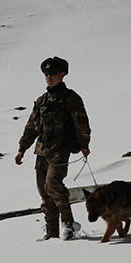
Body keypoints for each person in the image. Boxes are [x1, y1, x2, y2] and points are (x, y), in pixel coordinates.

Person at [15, 57, 91, 240]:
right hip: (42, 150)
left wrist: (84, 144)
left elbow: (81, 122)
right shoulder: (42, 100)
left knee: (53, 185)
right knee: (44, 192)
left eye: (53, 73)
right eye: (46, 74)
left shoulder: (70, 98)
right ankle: (52, 233)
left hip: (60, 148)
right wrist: (22, 149)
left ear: (63, 74)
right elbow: (32, 126)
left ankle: (68, 224)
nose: (49, 77)